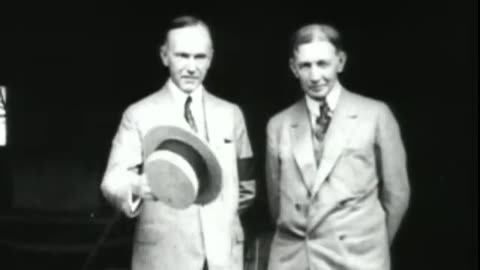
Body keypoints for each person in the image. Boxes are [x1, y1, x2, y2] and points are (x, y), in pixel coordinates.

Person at [100, 16, 256, 270]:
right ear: (164, 56)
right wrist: (137, 186)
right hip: (164, 256)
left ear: (211, 58)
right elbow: (112, 181)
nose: (192, 67)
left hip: (223, 257)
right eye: (182, 56)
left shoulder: (231, 114)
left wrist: (217, 217)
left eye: (200, 57)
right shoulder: (138, 114)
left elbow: (247, 188)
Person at [265, 23, 410, 270]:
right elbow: (276, 202)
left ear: (340, 62)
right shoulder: (279, 124)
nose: (314, 76)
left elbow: (397, 195)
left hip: (357, 258)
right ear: (293, 68)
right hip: (296, 260)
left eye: (323, 64)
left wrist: (372, 245)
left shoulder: (375, 115)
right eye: (305, 66)